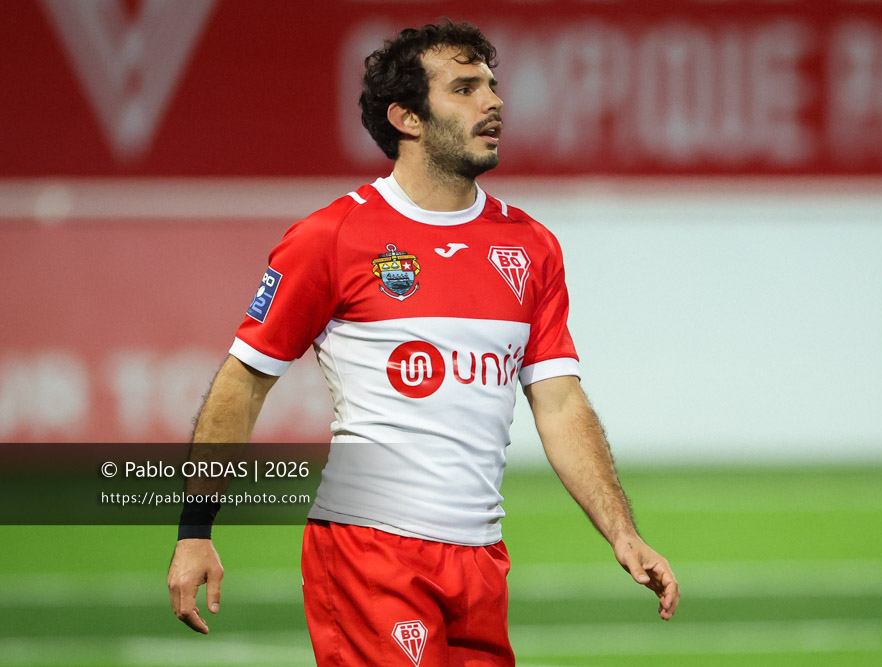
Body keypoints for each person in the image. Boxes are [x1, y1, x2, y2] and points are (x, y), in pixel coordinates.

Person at [166, 19, 679, 666]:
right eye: (464, 88)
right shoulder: (332, 237)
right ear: (406, 117)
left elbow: (559, 402)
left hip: (480, 557)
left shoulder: (531, 246)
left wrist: (622, 531)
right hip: (369, 552)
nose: (492, 102)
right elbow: (244, 378)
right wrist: (195, 530)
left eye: (492, 85)